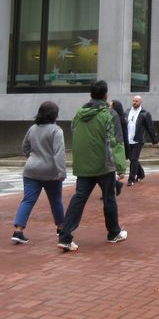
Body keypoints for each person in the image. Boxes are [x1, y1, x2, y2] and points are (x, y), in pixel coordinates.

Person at [57, 81, 128, 251]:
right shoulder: (109, 114)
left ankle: (65, 236)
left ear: (91, 94)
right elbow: (116, 142)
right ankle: (114, 233)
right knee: (109, 199)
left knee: (79, 198)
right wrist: (121, 167)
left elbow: (75, 133)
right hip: (104, 165)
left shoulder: (79, 114)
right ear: (106, 95)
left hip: (83, 164)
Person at [11, 101, 67, 244]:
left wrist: (31, 157)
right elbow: (59, 153)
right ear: (55, 115)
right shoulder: (56, 130)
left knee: (27, 200)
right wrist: (62, 172)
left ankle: (18, 230)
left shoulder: (33, 128)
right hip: (51, 172)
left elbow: (24, 147)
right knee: (56, 201)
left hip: (31, 170)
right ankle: (61, 229)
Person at [126, 95, 158, 185]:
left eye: (136, 101)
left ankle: (131, 179)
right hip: (128, 139)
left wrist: (154, 139)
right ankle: (141, 174)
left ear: (140, 102)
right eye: (133, 101)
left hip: (138, 139)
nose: (134, 102)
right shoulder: (127, 112)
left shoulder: (145, 114)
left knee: (134, 158)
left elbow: (150, 127)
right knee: (132, 158)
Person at [109, 99, 127, 195]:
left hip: (117, 143)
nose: (109, 107)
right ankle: (115, 185)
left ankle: (110, 189)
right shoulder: (113, 116)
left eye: (111, 105)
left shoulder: (117, 118)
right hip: (116, 144)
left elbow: (122, 135)